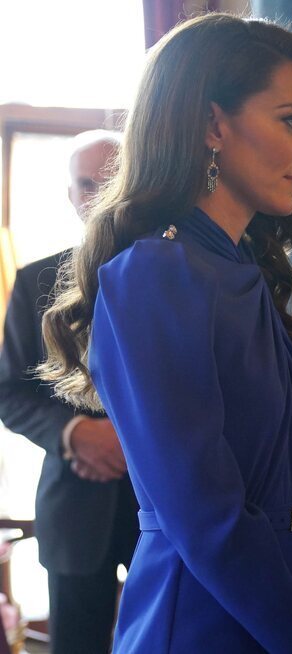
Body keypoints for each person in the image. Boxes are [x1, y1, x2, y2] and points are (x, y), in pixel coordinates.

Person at [37, 14, 292, 653]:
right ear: (212, 124)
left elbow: (287, 481)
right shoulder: (155, 275)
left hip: (267, 607)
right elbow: (206, 515)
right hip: (199, 617)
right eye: (290, 120)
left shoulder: (241, 271)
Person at [0, 130, 139, 654]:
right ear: (71, 195)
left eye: (108, 179)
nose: (97, 195)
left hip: (165, 506)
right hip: (75, 510)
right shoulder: (36, 281)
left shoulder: (175, 275)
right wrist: (76, 434)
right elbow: (8, 391)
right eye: (85, 184)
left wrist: (131, 440)